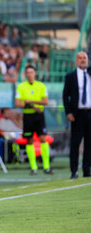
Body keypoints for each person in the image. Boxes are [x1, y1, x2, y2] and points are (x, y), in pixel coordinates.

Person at [15, 65, 52, 175]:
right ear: (26, 74)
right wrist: (30, 105)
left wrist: (30, 102)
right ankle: (33, 167)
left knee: (43, 138)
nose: (30, 74)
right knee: (29, 140)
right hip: (28, 117)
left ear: (35, 73)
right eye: (28, 72)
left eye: (31, 72)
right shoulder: (21, 87)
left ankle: (46, 166)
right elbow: (18, 103)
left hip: (39, 116)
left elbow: (45, 101)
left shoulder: (41, 86)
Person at [63, 51, 91, 179]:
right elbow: (65, 96)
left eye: (84, 58)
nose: (82, 60)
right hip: (77, 114)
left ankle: (87, 170)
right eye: (80, 58)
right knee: (75, 143)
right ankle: (74, 171)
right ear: (76, 60)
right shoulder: (70, 76)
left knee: (89, 144)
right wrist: (68, 112)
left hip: (90, 112)